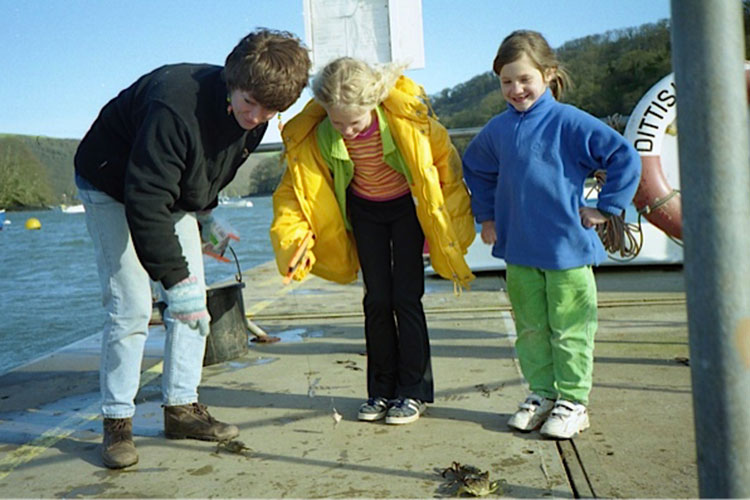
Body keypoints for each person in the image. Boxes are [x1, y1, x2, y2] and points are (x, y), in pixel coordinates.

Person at [74, 28, 311, 469]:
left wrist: (205, 219)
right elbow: (146, 201)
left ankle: (181, 408)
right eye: (250, 104)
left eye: (271, 110)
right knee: (131, 304)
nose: (257, 117)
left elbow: (206, 170)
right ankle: (117, 423)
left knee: (193, 304)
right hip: (109, 180)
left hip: (161, 187)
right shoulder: (173, 107)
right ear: (231, 81)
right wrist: (173, 279)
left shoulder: (253, 120)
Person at [270, 57, 475, 425]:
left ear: (375, 103)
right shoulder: (317, 136)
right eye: (338, 122)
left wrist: (445, 228)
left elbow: (445, 170)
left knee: (406, 297)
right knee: (376, 299)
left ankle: (414, 392)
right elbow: (294, 192)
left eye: (355, 122)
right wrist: (294, 240)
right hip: (365, 214)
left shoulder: (406, 125)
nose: (347, 131)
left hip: (406, 211)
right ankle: (380, 391)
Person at [462, 30, 641, 439]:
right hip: (519, 253)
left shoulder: (569, 121)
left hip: (568, 252)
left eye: (525, 78)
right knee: (530, 329)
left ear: (548, 74)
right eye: (506, 81)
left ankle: (574, 401)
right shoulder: (496, 130)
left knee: (571, 327)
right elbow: (476, 169)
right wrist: (486, 217)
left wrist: (606, 207)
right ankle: (541, 393)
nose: (516, 89)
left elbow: (623, 156)